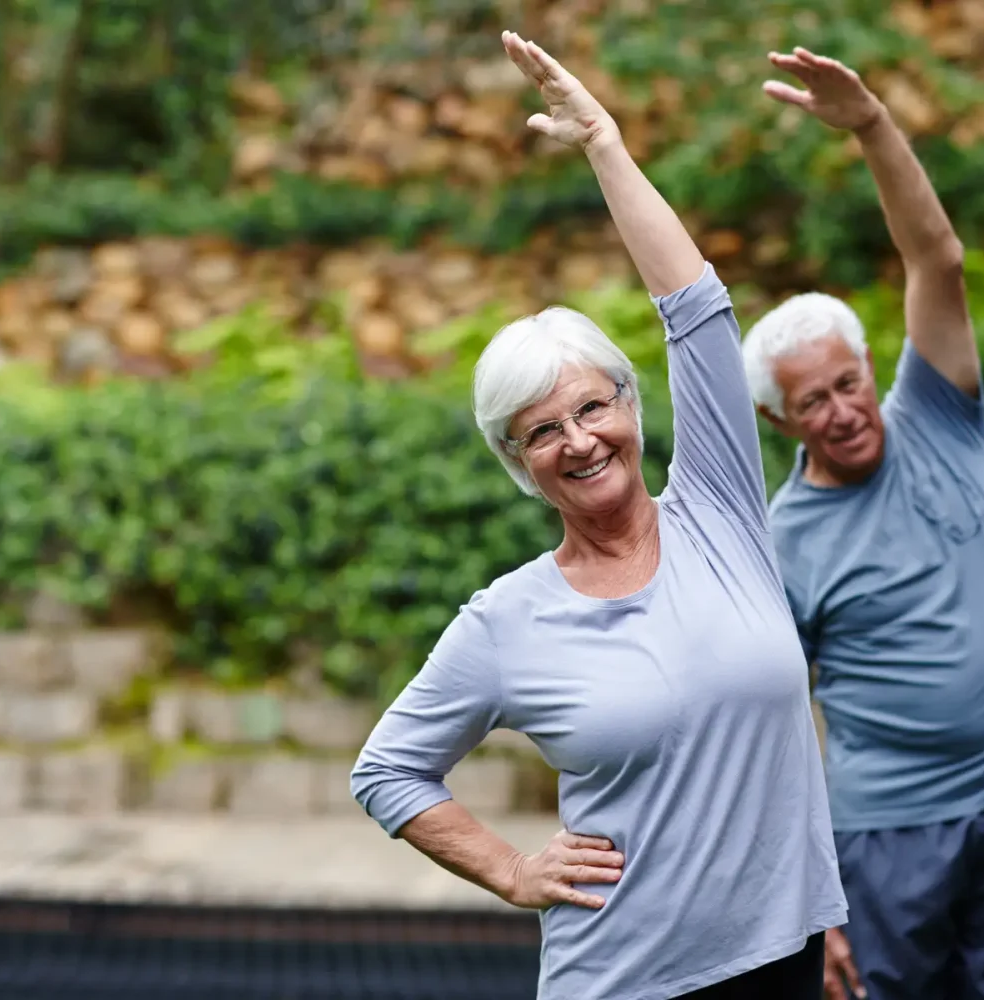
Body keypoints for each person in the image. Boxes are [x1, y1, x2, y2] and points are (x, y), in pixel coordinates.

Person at [351, 31, 847, 1000]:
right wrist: (509, 868)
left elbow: (694, 310)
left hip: (782, 955)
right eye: (541, 431)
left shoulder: (719, 512)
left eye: (592, 407)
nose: (578, 440)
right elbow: (390, 770)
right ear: (517, 463)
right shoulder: (505, 620)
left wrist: (604, 146)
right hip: (623, 978)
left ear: (630, 405)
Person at [743, 47, 984, 1000]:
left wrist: (872, 129)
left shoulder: (937, 409)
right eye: (814, 403)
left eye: (849, 384)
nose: (844, 411)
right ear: (780, 420)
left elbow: (938, 255)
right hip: (890, 835)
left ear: (868, 366)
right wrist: (816, 899)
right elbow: (773, 727)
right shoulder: (785, 541)